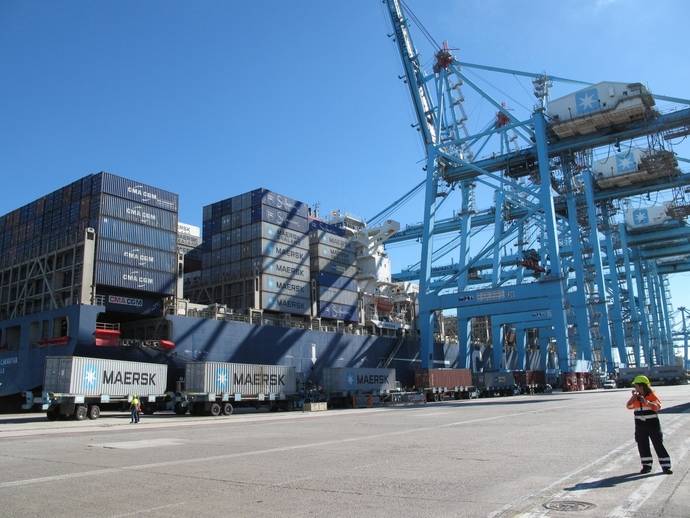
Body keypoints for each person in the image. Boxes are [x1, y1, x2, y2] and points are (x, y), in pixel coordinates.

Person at [626, 375, 672, 474]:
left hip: (652, 425)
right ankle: (646, 466)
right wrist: (633, 397)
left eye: (636, 386)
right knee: (642, 445)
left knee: (658, 444)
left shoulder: (652, 395)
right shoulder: (636, 397)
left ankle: (666, 466)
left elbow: (658, 407)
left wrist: (646, 402)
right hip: (640, 426)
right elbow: (628, 406)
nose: (635, 388)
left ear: (642, 386)